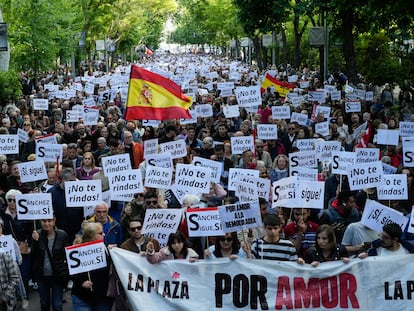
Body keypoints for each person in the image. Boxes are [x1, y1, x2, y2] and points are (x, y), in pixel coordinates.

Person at [70, 222, 114, 311]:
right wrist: (81, 282)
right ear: (91, 236)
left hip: (103, 297)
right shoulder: (76, 250)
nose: (104, 235)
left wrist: (112, 252)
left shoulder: (106, 248)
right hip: (82, 296)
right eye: (100, 233)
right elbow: (70, 271)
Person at [31, 216, 70, 311]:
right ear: (40, 222)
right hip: (42, 276)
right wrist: (35, 241)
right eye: (44, 221)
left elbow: (68, 254)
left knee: (57, 305)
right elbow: (33, 256)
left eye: (49, 221)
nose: (47, 223)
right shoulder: (37, 235)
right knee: (44, 303)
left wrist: (66, 273)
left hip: (58, 275)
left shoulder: (62, 234)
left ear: (54, 221)